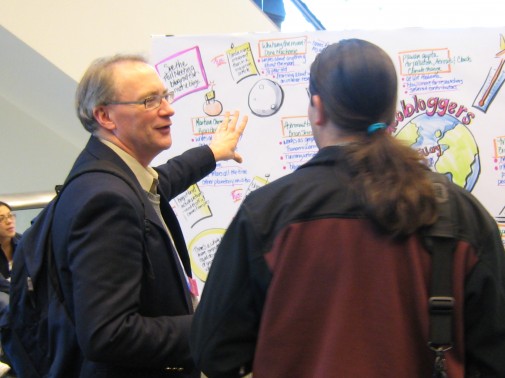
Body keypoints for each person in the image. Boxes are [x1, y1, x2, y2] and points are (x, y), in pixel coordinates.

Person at [190, 39, 505, 377]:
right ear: (390, 109)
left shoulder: (267, 213)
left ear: (318, 107)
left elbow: (213, 350)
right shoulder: (462, 215)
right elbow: (494, 358)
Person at [48, 54, 247, 377]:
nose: (168, 109)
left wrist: (212, 152)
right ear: (105, 116)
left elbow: (161, 182)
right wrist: (214, 322)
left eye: (165, 96)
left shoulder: (108, 172)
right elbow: (108, 334)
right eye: (148, 101)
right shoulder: (106, 200)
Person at [0, 201, 20, 377]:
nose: (9, 221)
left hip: (22, 295)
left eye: (10, 216)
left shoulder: (24, 243)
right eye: (1, 218)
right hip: (8, 300)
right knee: (5, 305)